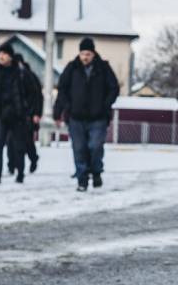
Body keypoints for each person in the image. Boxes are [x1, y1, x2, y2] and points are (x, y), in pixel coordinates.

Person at [53, 37, 120, 192]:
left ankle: (96, 172)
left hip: (98, 117)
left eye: (88, 54)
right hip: (76, 117)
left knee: (95, 146)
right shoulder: (72, 68)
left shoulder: (103, 68)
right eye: (83, 53)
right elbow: (62, 89)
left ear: (93, 53)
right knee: (79, 148)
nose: (85, 57)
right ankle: (82, 180)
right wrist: (60, 111)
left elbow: (114, 88)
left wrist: (105, 105)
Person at [0, 42, 28, 184]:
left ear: (10, 56)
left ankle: (20, 173)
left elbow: (30, 91)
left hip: (16, 114)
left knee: (18, 145)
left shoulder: (20, 72)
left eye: (4, 54)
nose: (1, 56)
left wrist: (24, 109)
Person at [14, 53, 43, 174]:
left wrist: (36, 113)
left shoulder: (30, 76)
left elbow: (38, 96)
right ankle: (13, 165)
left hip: (28, 115)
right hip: (14, 114)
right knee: (12, 141)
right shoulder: (11, 76)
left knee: (27, 141)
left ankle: (33, 158)